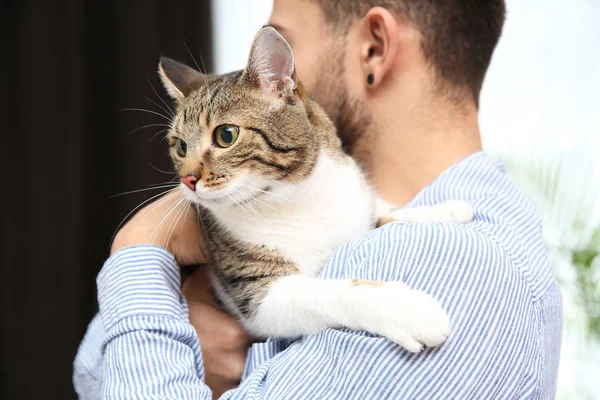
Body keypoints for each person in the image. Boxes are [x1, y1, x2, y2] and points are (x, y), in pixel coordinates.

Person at [73, 0, 562, 399]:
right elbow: (89, 372)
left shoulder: (448, 264)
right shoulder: (357, 217)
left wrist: (138, 248)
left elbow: (110, 372)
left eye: (286, 40)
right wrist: (180, 335)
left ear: (375, 47)